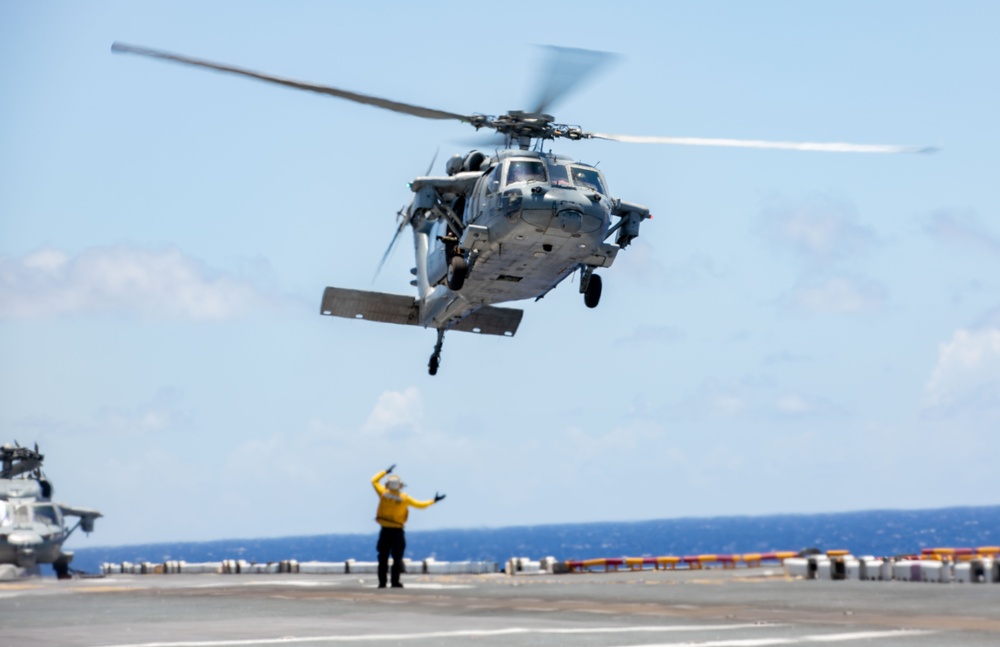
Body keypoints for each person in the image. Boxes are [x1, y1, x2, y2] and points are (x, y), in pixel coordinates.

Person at [371, 464, 445, 588]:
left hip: (384, 531)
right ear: (400, 485)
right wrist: (434, 500)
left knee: (382, 558)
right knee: (397, 558)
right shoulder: (404, 498)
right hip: (397, 532)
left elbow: (373, 481)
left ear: (388, 485)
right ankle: (395, 582)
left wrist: (385, 471)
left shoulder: (383, 494)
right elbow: (420, 505)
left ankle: (382, 583)